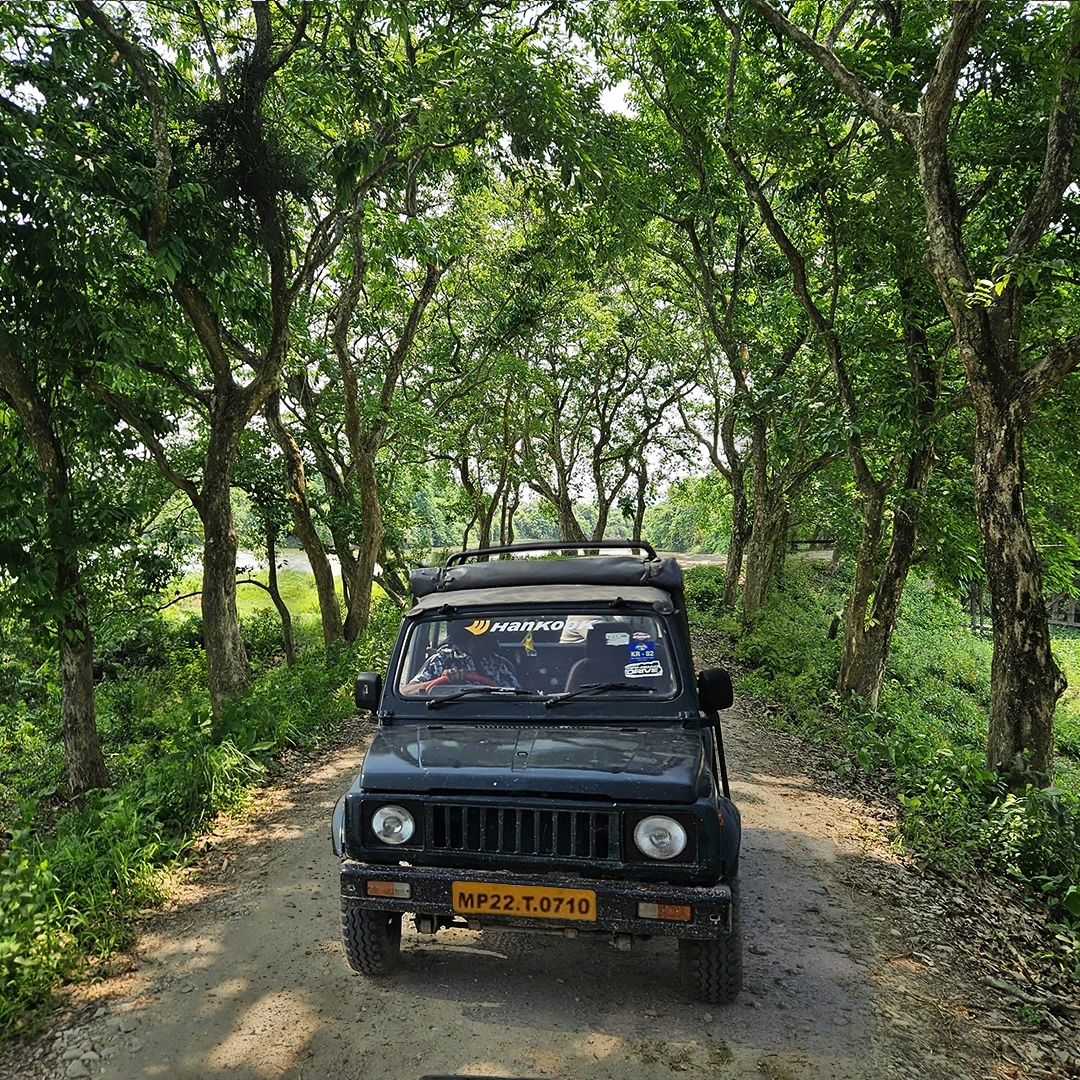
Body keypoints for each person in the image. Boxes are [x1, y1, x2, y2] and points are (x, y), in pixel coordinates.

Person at [404, 621, 522, 691]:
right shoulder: (442, 660)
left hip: (495, 715)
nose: (495, 639)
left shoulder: (497, 662)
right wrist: (442, 681)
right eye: (488, 634)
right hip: (451, 716)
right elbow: (406, 691)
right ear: (474, 639)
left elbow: (517, 694)